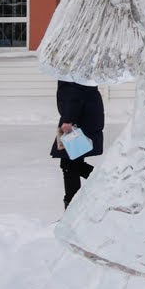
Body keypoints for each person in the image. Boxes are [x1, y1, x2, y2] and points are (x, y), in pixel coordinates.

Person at [52, 78, 104, 208]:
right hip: (83, 118)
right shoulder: (79, 72)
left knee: (69, 165)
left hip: (76, 122)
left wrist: (68, 119)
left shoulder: (70, 72)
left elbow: (74, 93)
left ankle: (107, 180)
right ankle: (106, 180)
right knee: (72, 164)